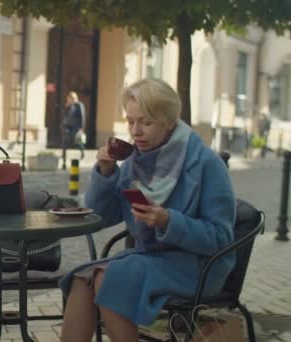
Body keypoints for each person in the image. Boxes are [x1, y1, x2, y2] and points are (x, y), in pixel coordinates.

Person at [58, 78, 236, 342]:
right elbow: (102, 216)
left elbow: (221, 238)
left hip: (196, 266)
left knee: (108, 279)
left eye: (146, 122)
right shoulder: (135, 161)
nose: (135, 131)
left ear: (169, 120)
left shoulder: (206, 163)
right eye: (130, 122)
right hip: (151, 259)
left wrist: (169, 222)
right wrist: (106, 174)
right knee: (81, 280)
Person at [62, 91, 86, 159]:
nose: (68, 99)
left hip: (76, 126)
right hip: (68, 126)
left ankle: (82, 152)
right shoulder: (68, 105)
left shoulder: (79, 105)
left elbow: (82, 117)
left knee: (78, 141)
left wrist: (81, 128)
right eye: (68, 98)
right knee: (65, 140)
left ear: (73, 98)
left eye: (70, 98)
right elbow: (65, 115)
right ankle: (64, 155)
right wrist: (66, 107)